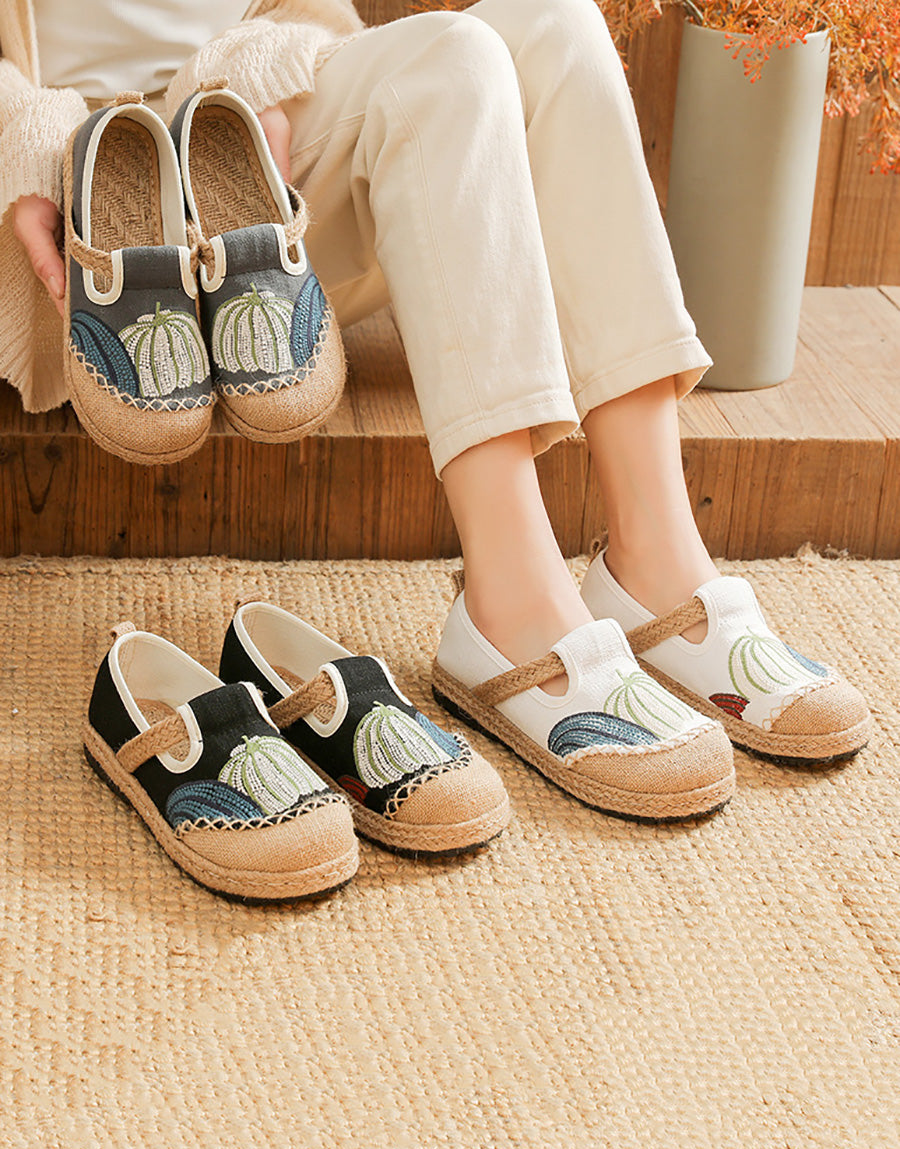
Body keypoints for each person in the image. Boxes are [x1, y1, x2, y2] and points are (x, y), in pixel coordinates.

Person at [1, 0, 870, 816]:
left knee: (553, 21)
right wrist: (26, 145)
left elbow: (303, 13)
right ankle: (514, 604)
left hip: (247, 184)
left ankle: (657, 560)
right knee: (453, 54)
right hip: (61, 203)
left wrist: (260, 80)